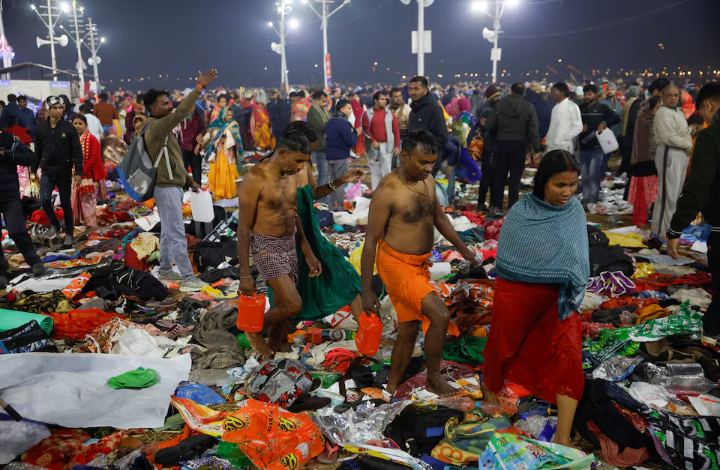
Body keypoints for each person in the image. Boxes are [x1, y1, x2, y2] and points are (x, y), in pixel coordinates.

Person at [481, 149, 588, 448]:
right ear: (542, 182)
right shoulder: (522, 211)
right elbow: (509, 258)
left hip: (560, 298)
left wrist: (569, 275)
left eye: (572, 184)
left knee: (569, 356)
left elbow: (577, 258)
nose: (567, 192)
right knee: (503, 345)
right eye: (560, 185)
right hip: (518, 291)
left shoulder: (574, 210)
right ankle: (491, 389)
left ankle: (563, 437)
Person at [361, 129, 480, 397]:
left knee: (409, 329)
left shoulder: (427, 181)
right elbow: (370, 242)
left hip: (419, 264)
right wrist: (366, 290)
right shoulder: (388, 191)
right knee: (439, 314)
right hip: (395, 264)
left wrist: (465, 250)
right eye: (422, 162)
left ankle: (391, 388)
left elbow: (439, 217)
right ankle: (433, 379)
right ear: (404, 157)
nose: (428, 168)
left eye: (432, 163)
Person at [236, 130, 321, 359]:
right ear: (282, 153)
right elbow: (243, 229)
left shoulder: (291, 174)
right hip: (266, 246)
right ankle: (253, 329)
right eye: (299, 161)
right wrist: (245, 275)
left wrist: (308, 251)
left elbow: (294, 215)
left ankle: (273, 350)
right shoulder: (255, 179)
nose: (302, 167)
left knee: (285, 308)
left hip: (289, 244)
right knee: (293, 305)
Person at [143, 69, 218, 293]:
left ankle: (165, 268)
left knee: (168, 230)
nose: (170, 106)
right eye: (165, 103)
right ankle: (187, 277)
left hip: (172, 185)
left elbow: (173, 159)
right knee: (176, 232)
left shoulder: (166, 130)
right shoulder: (157, 127)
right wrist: (199, 87)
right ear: (154, 108)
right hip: (165, 188)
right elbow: (182, 112)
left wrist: (189, 180)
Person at [284, 121, 365, 321]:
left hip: (311, 235)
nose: (308, 158)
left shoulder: (304, 165)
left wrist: (340, 180)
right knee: (293, 287)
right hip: (291, 239)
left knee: (344, 273)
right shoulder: (280, 172)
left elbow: (313, 193)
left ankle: (367, 328)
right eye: (305, 153)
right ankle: (280, 333)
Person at [667, 82, 720, 344]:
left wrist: (675, 229)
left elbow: (698, 190)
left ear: (708, 105)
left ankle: (710, 336)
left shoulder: (710, 138)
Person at [33, 96, 83, 245]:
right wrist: (33, 170)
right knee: (45, 200)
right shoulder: (41, 129)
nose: (58, 110)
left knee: (66, 203)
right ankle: (55, 224)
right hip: (47, 171)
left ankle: (69, 233)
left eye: (60, 107)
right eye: (55, 108)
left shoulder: (69, 128)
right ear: (49, 109)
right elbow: (37, 152)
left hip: (64, 171)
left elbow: (77, 152)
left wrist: (79, 172)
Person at [0, 129, 46, 288]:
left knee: (16, 230)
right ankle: (1, 272)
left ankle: (34, 261)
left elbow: (30, 158)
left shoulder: (8, 139)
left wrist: (6, 155)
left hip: (9, 194)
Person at [486, 83, 541, 213]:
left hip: (502, 144)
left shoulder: (499, 106)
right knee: (515, 179)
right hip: (519, 145)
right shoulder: (529, 107)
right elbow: (533, 130)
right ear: (523, 93)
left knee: (499, 176)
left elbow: (489, 125)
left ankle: (497, 206)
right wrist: (536, 148)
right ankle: (512, 207)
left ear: (511, 91)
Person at [651, 85, 695, 237]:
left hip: (680, 154)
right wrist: (689, 144)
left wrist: (690, 132)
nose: (673, 98)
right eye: (669, 95)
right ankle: (662, 233)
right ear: (662, 97)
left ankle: (669, 231)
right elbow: (668, 138)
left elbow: (680, 132)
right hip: (669, 153)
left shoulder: (677, 111)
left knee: (675, 195)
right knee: (667, 196)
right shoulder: (663, 113)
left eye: (676, 95)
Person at [578, 84, 621, 205]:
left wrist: (604, 122)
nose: (586, 97)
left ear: (595, 95)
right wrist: (579, 127)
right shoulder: (580, 108)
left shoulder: (602, 108)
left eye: (589, 94)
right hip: (583, 146)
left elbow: (616, 118)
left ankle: (594, 196)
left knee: (594, 171)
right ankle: (586, 198)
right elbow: (573, 122)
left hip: (598, 146)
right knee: (585, 173)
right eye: (585, 94)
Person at [628, 98, 662, 227]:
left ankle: (641, 217)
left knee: (642, 193)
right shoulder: (650, 120)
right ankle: (641, 218)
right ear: (653, 108)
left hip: (640, 160)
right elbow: (653, 142)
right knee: (644, 193)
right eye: (659, 107)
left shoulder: (642, 116)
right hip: (648, 161)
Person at [324, 99, 360, 211]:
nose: (350, 111)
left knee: (332, 183)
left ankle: (331, 207)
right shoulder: (344, 123)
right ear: (342, 109)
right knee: (340, 183)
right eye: (349, 109)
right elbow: (351, 141)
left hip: (329, 156)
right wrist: (356, 133)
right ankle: (340, 208)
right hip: (340, 156)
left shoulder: (330, 121)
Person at [71, 115, 105, 229]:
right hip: (76, 175)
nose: (77, 126)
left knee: (88, 201)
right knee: (77, 201)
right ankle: (80, 223)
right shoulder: (71, 139)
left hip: (89, 175)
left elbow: (94, 159)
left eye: (80, 123)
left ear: (85, 125)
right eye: (75, 124)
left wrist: (80, 172)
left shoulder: (92, 139)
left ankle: (91, 225)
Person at [362, 91, 401, 190]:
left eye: (385, 99)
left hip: (387, 146)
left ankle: (386, 193)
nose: (384, 101)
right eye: (382, 99)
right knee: (375, 171)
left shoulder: (390, 113)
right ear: (375, 100)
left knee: (387, 171)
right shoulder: (367, 114)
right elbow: (365, 129)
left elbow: (396, 130)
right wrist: (372, 140)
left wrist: (397, 146)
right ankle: (376, 193)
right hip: (372, 147)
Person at [206, 107, 242, 200]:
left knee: (227, 172)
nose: (230, 117)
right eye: (228, 115)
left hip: (229, 152)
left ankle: (228, 193)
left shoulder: (233, 124)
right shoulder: (214, 124)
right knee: (219, 172)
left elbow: (237, 137)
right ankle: (219, 193)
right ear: (223, 115)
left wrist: (227, 135)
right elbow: (211, 136)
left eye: (231, 115)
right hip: (218, 152)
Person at [408, 76, 448, 152]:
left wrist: (424, 149)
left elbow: (442, 137)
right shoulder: (413, 110)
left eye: (416, 89)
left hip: (429, 160)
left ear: (425, 90)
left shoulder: (434, 109)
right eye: (410, 89)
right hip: (414, 158)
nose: (412, 92)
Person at [545, 82, 583, 153]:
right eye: (552, 91)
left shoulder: (572, 106)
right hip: (552, 146)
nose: (552, 94)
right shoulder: (555, 108)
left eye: (554, 91)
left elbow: (578, 127)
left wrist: (564, 137)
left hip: (564, 146)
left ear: (562, 93)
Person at [179, 100, 207, 186]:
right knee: (183, 170)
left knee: (197, 169)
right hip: (182, 148)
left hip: (195, 147)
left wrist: (200, 134)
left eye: (193, 106)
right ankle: (184, 189)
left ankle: (198, 188)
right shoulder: (179, 117)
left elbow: (203, 128)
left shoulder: (197, 115)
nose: (192, 108)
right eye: (189, 106)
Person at [307, 90, 332, 186]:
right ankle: (321, 197)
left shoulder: (323, 110)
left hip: (325, 145)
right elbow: (322, 126)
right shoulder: (313, 112)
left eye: (326, 101)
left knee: (326, 174)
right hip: (319, 146)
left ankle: (323, 196)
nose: (325, 103)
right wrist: (332, 124)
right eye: (323, 101)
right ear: (316, 100)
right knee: (323, 173)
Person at [599, 83, 623, 174]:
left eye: (612, 89)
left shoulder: (617, 103)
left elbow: (619, 116)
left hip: (615, 132)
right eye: (608, 89)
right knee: (604, 153)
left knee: (608, 153)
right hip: (605, 132)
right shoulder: (602, 102)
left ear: (615, 91)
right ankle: (601, 172)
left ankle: (604, 169)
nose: (610, 91)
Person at [251, 91, 274, 156]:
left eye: (262, 105)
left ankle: (264, 151)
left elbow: (268, 120)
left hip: (266, 128)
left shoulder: (265, 111)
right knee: (259, 142)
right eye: (259, 105)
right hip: (259, 129)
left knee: (266, 141)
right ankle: (260, 152)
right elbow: (253, 105)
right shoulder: (256, 110)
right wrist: (255, 97)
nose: (261, 106)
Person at [350, 92, 366, 157]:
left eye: (356, 97)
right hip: (356, 126)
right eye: (354, 97)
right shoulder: (354, 107)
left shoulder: (360, 107)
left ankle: (358, 152)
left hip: (358, 126)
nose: (355, 98)